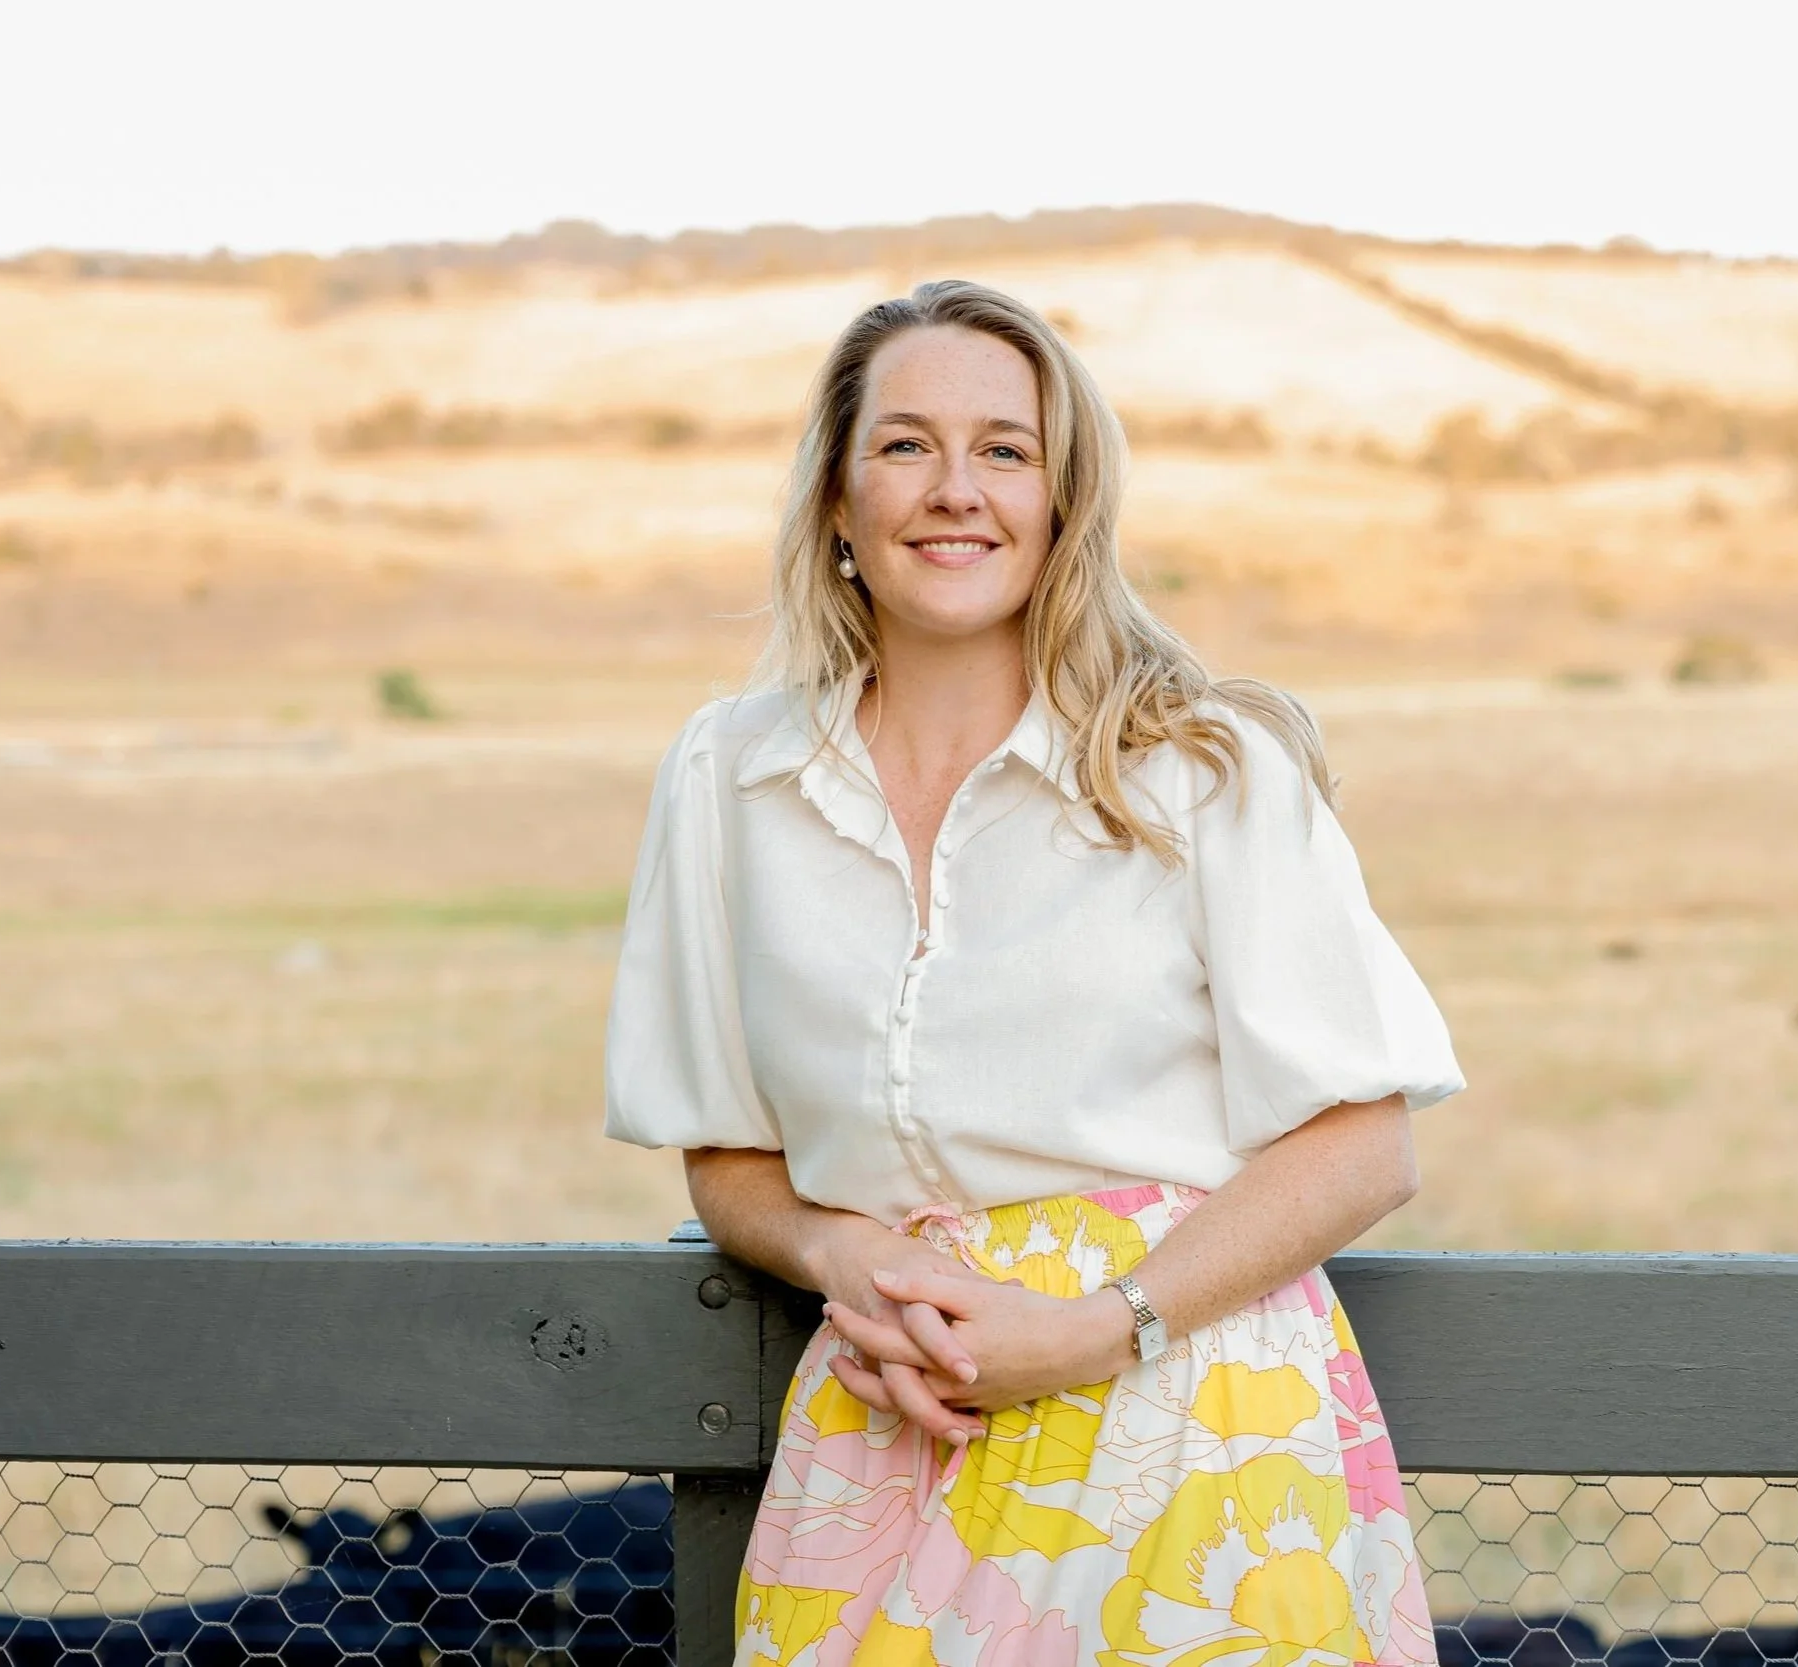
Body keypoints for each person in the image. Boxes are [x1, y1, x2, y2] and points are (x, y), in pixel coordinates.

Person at [605, 279, 1465, 1666]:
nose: (956, 490)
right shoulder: (729, 777)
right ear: (836, 496)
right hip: (894, 1425)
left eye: (1006, 449)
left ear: (1065, 502)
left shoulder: (1202, 767)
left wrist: (1088, 1330)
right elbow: (727, 1150)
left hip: (1184, 1428)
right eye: (904, 445)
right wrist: (843, 1252)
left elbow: (1366, 1143)